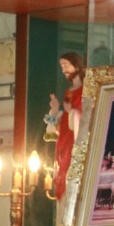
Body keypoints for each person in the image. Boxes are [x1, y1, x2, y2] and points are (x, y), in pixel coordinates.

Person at [44, 52, 84, 200]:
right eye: (62, 66)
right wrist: (55, 109)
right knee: (62, 165)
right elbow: (64, 120)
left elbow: (84, 115)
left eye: (66, 65)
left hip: (75, 136)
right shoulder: (69, 91)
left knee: (70, 165)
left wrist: (71, 111)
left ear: (76, 66)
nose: (63, 70)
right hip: (65, 135)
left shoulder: (84, 90)